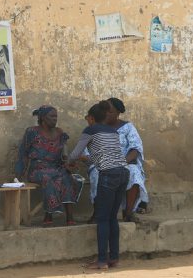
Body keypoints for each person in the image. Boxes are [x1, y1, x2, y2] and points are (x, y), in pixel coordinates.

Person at [67, 101, 129, 270]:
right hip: (123, 172)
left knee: (102, 218)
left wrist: (70, 162)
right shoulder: (113, 131)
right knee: (112, 218)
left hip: (108, 175)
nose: (87, 121)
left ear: (92, 118)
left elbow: (74, 153)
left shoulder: (90, 130)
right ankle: (114, 258)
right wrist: (85, 159)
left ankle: (102, 261)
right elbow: (105, 155)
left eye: (87, 118)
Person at [15, 105, 83, 227]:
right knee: (48, 178)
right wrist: (19, 173)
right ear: (42, 118)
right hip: (37, 169)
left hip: (56, 167)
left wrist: (68, 163)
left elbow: (64, 153)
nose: (55, 119)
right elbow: (23, 152)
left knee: (67, 177)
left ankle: (69, 217)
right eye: (52, 116)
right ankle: (49, 215)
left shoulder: (59, 132)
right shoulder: (32, 132)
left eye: (56, 116)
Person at [106, 97, 149, 222]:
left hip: (125, 162)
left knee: (134, 173)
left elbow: (135, 148)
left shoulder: (128, 127)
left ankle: (128, 213)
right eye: (105, 111)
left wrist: (122, 162)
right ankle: (102, 214)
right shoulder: (98, 127)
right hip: (103, 164)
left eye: (110, 111)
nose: (107, 114)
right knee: (98, 174)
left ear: (118, 113)